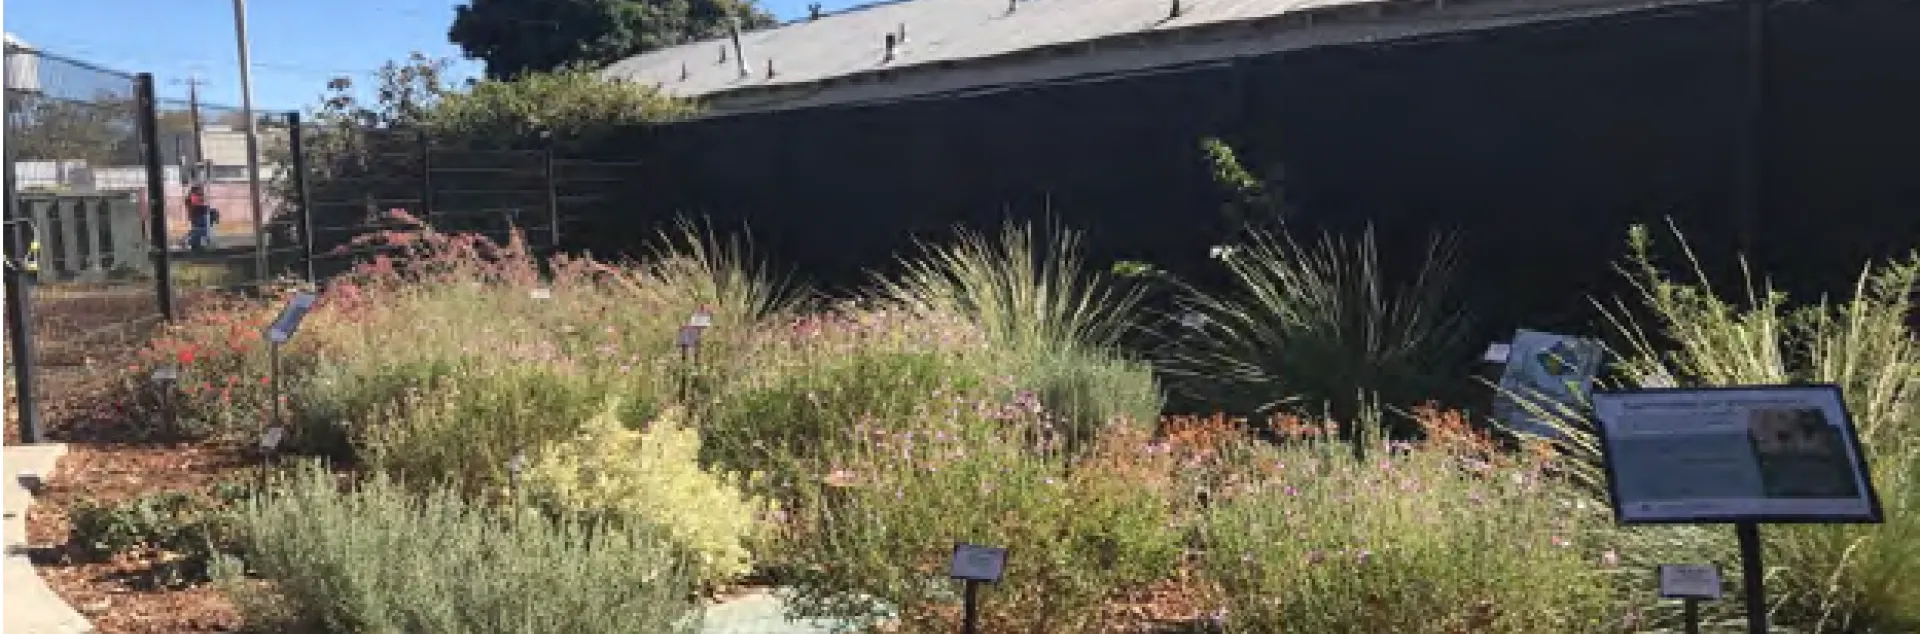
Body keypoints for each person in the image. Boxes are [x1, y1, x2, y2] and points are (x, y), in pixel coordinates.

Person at [184, 185, 218, 251]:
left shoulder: (195, 197)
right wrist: (209, 210)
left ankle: (193, 243)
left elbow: (200, 206)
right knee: (199, 231)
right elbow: (198, 207)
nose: (202, 194)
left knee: (199, 231)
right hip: (198, 216)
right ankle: (188, 241)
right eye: (200, 192)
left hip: (199, 217)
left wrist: (211, 211)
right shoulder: (194, 197)